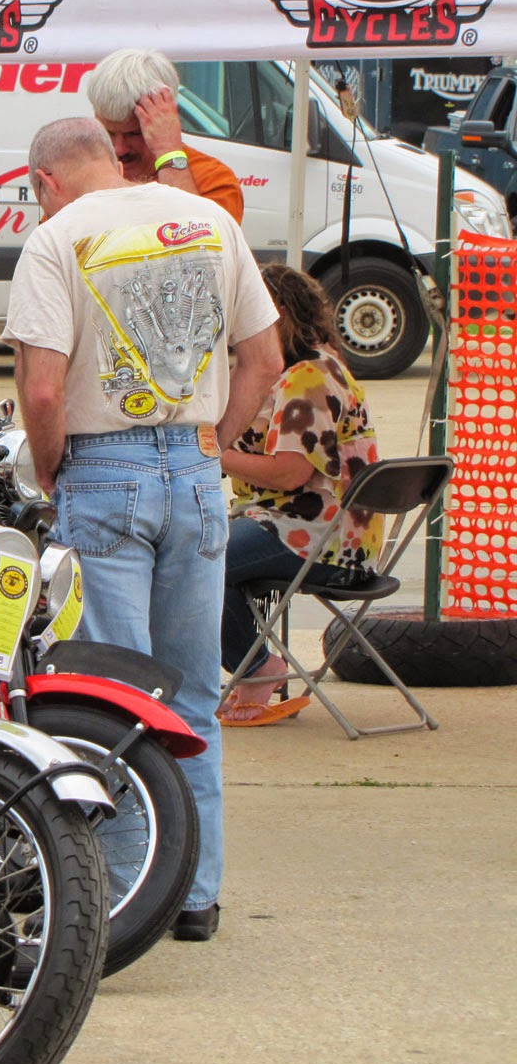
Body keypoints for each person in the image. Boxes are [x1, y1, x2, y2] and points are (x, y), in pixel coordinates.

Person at [2, 116, 283, 943]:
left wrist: (53, 469)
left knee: (112, 696)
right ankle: (196, 896)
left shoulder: (56, 239)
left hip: (104, 467)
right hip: (196, 474)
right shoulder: (209, 221)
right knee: (194, 693)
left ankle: (126, 897)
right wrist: (213, 443)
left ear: (47, 180)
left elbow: (44, 393)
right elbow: (264, 357)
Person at [217, 263, 383, 726]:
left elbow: (288, 474)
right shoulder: (309, 365)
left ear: (279, 314)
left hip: (319, 538)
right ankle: (252, 664)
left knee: (198, 556)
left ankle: (256, 667)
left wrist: (210, 453)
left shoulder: (308, 377)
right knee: (200, 542)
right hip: (311, 529)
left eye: (244, 311)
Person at [86, 48, 246, 222]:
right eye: (109, 133)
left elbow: (196, 244)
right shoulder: (80, 175)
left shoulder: (213, 180)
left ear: (167, 117)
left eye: (134, 133)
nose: (120, 149)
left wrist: (168, 152)